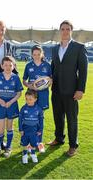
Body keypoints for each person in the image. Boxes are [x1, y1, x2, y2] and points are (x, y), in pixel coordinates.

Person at [47, 20, 88, 157]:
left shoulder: (79, 47)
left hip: (72, 91)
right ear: (60, 31)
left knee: (72, 119)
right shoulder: (54, 48)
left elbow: (83, 70)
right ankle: (59, 139)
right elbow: (53, 67)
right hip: (56, 90)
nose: (65, 31)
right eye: (62, 29)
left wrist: (80, 89)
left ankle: (72, 145)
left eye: (67, 29)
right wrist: (49, 79)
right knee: (58, 117)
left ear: (71, 31)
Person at [0, 56, 23, 159]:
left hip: (11, 105)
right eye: (5, 65)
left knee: (9, 127)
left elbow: (19, 93)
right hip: (0, 106)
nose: (8, 67)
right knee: (0, 128)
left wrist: (10, 101)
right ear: (2, 66)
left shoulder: (16, 77)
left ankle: (8, 147)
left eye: (10, 65)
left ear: (13, 66)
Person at [23, 45, 52, 153]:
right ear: (31, 54)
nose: (36, 56)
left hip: (43, 95)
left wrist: (46, 84)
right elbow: (24, 80)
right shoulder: (28, 65)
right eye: (34, 54)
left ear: (42, 54)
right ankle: (31, 143)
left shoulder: (47, 66)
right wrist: (31, 86)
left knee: (40, 119)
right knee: (30, 118)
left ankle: (39, 143)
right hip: (31, 95)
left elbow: (51, 80)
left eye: (38, 54)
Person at [19, 89, 43, 164]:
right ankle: (25, 155)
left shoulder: (38, 109)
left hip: (34, 131)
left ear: (35, 99)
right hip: (25, 131)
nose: (28, 101)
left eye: (30, 99)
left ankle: (33, 154)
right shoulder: (23, 108)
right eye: (26, 99)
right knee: (25, 144)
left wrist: (40, 130)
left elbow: (41, 121)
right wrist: (21, 129)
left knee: (33, 144)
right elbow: (20, 120)